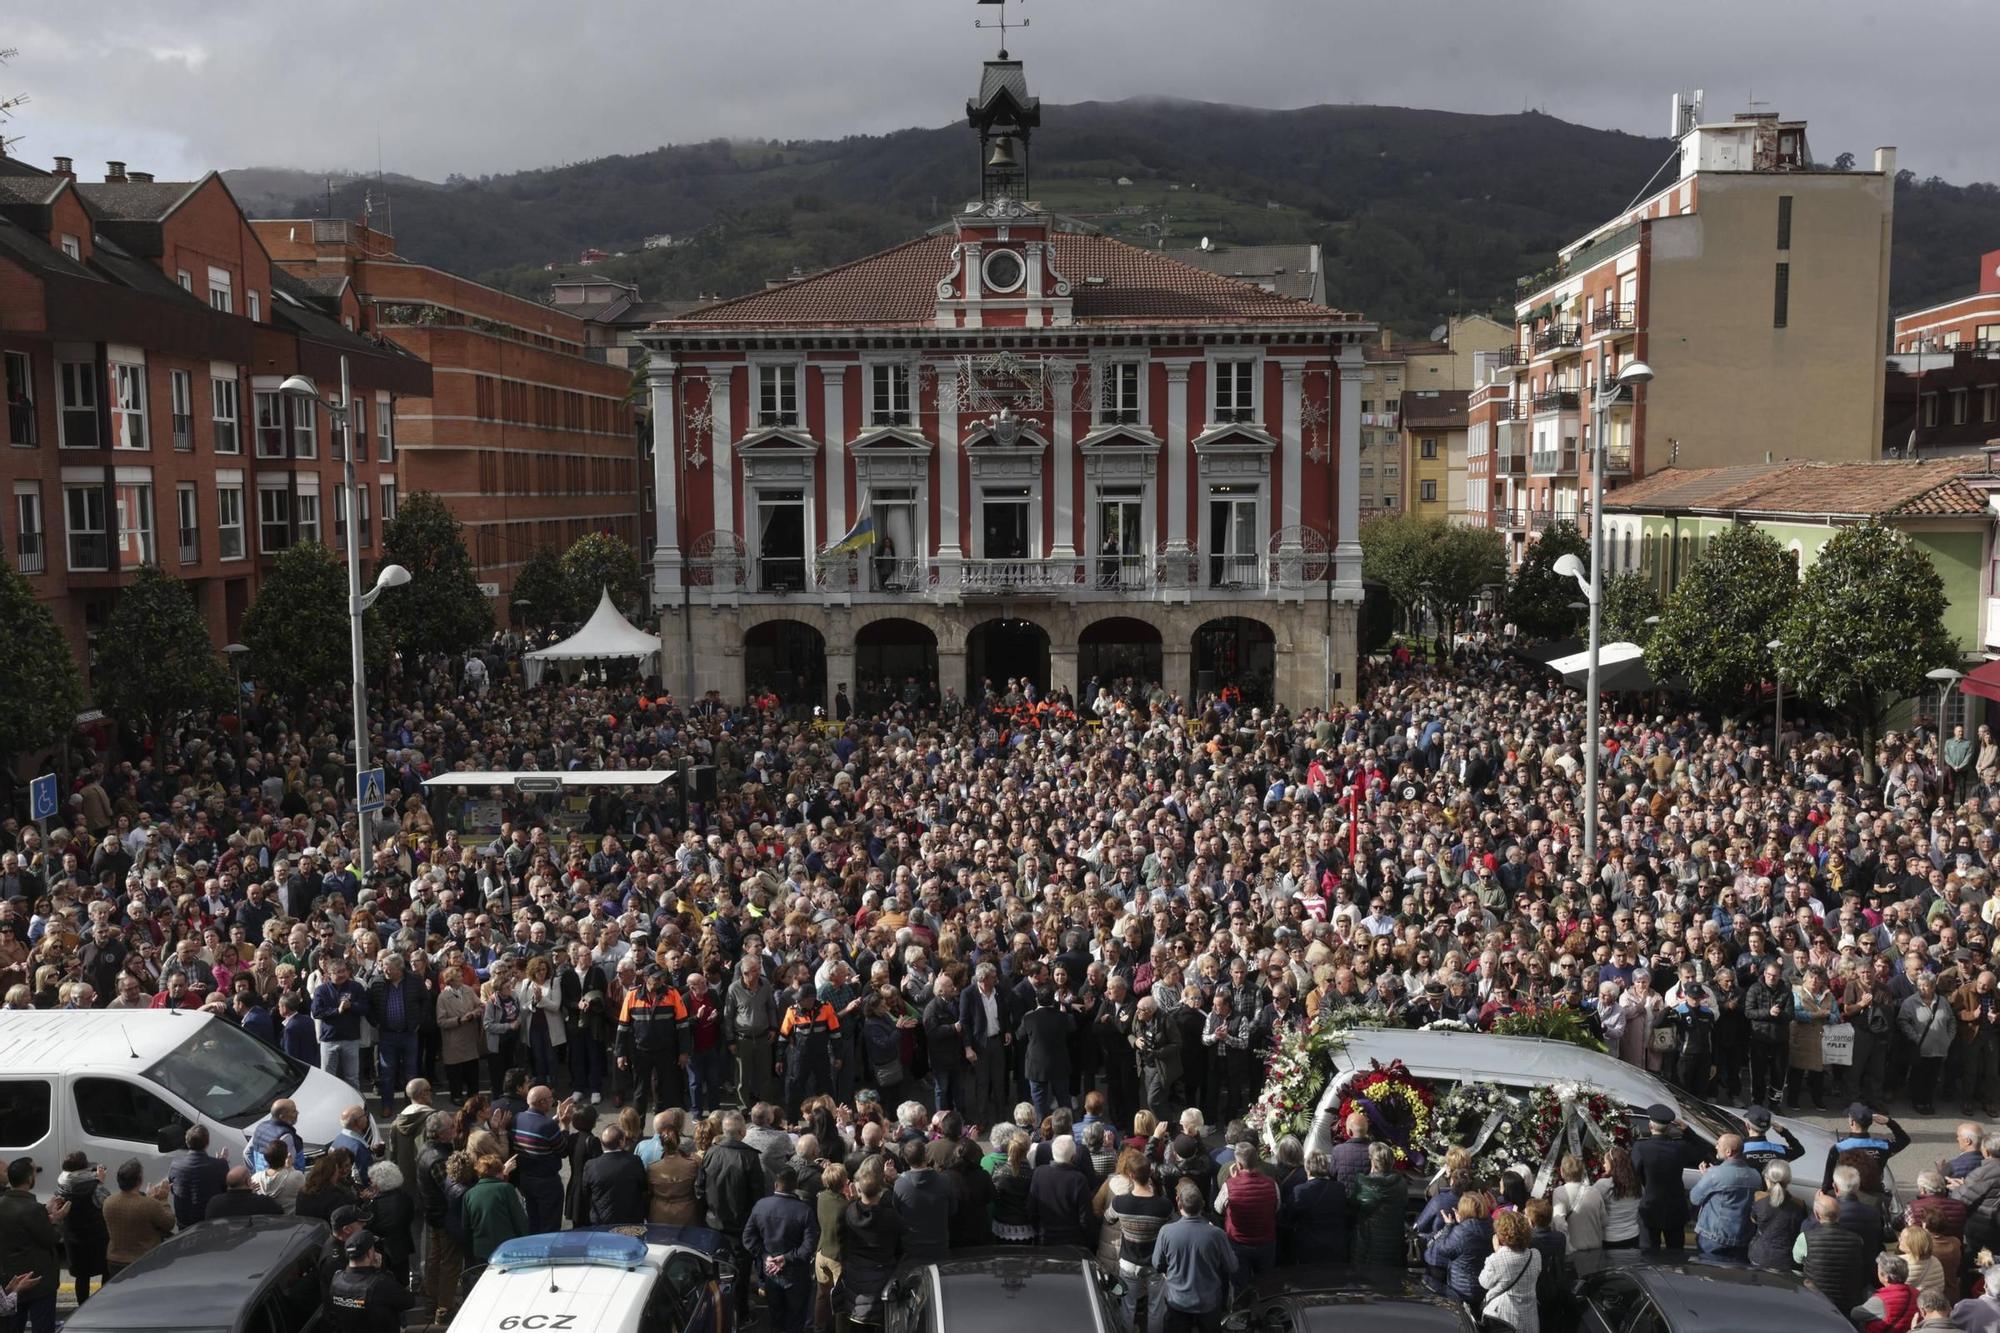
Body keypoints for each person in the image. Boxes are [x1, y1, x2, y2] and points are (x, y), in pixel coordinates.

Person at [696, 1112, 766, 1327]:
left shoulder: (710, 1153)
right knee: (740, 1274)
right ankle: (740, 1315)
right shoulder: (749, 1157)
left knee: (715, 1272)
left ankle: (718, 1313)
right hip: (740, 1227)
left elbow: (699, 1189)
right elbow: (758, 1197)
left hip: (713, 1223)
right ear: (742, 1132)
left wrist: (704, 1215)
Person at [1153, 1179, 1241, 1332]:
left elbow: (1157, 1264)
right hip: (1209, 1303)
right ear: (1202, 1204)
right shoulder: (1217, 1234)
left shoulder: (1166, 1232)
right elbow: (1232, 1266)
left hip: (1177, 1302)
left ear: (1178, 1203)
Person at [742, 1165, 818, 1333]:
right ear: (795, 1185)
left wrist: (765, 1256)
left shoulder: (761, 1206)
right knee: (796, 1320)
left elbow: (748, 1238)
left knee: (776, 1318)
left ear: (776, 1185)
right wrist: (786, 1258)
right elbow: (809, 1246)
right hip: (796, 1275)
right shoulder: (804, 1211)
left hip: (771, 1274)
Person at [835, 1167, 908, 1328]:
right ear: (880, 1192)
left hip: (854, 1274)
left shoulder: (848, 1211)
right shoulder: (889, 1216)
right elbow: (904, 1236)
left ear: (859, 1190)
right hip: (882, 1274)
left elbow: (841, 1239)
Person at [0, 1158, 64, 1333]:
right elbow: (50, 1238)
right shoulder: (32, 1209)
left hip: (12, 1281)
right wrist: (56, 1220)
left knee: (13, 1325)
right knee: (42, 1326)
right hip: (38, 1282)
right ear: (29, 1179)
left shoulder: (4, 1203)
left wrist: (44, 1210)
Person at [1629, 1105, 1705, 1251]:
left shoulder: (1641, 1147)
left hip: (1650, 1208)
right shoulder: (1680, 1147)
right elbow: (1702, 1150)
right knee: (1675, 1254)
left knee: (1649, 1253)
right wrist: (1687, 1130)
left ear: (1650, 1125)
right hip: (1675, 1209)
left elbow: (1634, 1174)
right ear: (1670, 1127)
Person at [326, 1230, 416, 1333]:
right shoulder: (381, 1284)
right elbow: (409, 1301)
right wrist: (380, 1271)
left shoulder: (336, 1280)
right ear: (370, 1253)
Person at [1688, 1134, 1760, 1259]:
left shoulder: (1715, 1173)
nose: (1716, 1147)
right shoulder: (1755, 1175)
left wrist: (1706, 1177)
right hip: (1742, 1237)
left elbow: (1694, 1198)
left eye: (1719, 1144)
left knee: (1709, 1273)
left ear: (1728, 1152)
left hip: (1713, 1237)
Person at [1798, 1192, 1870, 1316]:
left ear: (1816, 1215)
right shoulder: (1857, 1239)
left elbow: (1797, 1259)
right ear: (1839, 1214)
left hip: (1816, 1298)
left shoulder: (1806, 1237)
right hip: (1846, 1301)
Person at [102, 1160, 174, 1278]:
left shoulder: (108, 1202)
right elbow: (169, 1222)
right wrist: (163, 1200)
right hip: (142, 1260)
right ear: (139, 1181)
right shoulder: (149, 1204)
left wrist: (148, 1199)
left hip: (114, 1261)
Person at [53, 1153, 108, 1303]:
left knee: (82, 1276)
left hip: (73, 1237)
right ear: (83, 1168)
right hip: (95, 1236)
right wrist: (100, 1181)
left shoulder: (62, 1183)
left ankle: (82, 1306)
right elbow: (106, 1204)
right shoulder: (94, 1186)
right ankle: (104, 1303)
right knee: (106, 1270)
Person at [1220, 1140, 1279, 1277]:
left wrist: (1233, 1180)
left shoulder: (1229, 1186)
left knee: (1240, 1285)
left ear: (1238, 1164)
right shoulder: (1271, 1184)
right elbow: (1276, 1207)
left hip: (1238, 1243)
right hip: (1266, 1242)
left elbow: (1218, 1208)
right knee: (1266, 1284)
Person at [1425, 1193, 1494, 1309]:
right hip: (1483, 1285)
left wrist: (1448, 1226)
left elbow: (1443, 1249)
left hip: (1462, 1288)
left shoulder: (1461, 1231)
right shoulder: (1490, 1225)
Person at [1281, 1150, 1349, 1266]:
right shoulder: (1339, 1188)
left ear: (1307, 1168)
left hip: (1309, 1246)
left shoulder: (1300, 1190)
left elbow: (1289, 1216)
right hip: (1336, 1244)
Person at [1479, 1210, 1542, 1333]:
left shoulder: (1497, 1259)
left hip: (1504, 1318)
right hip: (1530, 1316)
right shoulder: (1536, 1255)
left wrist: (1497, 1252)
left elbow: (1484, 1282)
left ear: (1501, 1235)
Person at [1351, 1142, 1410, 1267]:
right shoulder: (1400, 1182)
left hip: (1369, 1245)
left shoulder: (1365, 1184)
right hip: (1394, 1243)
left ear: (1373, 1161)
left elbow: (1354, 1206)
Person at [581, 1125, 649, 1226]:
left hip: (602, 1221)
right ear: (621, 1142)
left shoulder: (591, 1165)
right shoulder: (634, 1161)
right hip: (631, 1220)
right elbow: (644, 1186)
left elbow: (586, 1192)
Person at [1746, 1162, 1805, 1271]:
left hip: (1759, 1256)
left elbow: (1754, 1220)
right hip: (1786, 1260)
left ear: (1767, 1178)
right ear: (1788, 1180)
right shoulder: (1799, 1205)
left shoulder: (1759, 1198)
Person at [168, 1124, 229, 1228]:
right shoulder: (219, 1165)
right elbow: (227, 1192)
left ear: (187, 1142)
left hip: (184, 1225)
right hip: (210, 1224)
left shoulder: (175, 1164)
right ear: (207, 1142)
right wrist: (220, 1162)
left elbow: (173, 1190)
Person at [1849, 1254, 1921, 1333]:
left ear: (1886, 1278)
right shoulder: (1917, 1293)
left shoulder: (1880, 1300)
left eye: (1879, 1271)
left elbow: (1854, 1314)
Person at [1592, 1146, 1643, 1250]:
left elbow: (1589, 1201)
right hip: (1633, 1236)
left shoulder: (1603, 1185)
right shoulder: (1638, 1186)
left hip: (1610, 1238)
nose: (1604, 1165)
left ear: (1613, 1164)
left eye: (1606, 1162)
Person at [1551, 1155, 1605, 1252]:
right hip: (1597, 1248)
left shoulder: (1559, 1192)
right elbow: (1604, 1221)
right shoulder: (1595, 1191)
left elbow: (1559, 1224)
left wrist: (1568, 1250)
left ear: (1562, 1172)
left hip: (1574, 1251)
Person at [205, 1166, 283, 1220]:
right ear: (248, 1182)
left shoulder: (214, 1203)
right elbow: (280, 1213)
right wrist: (252, 1194)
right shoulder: (263, 1202)